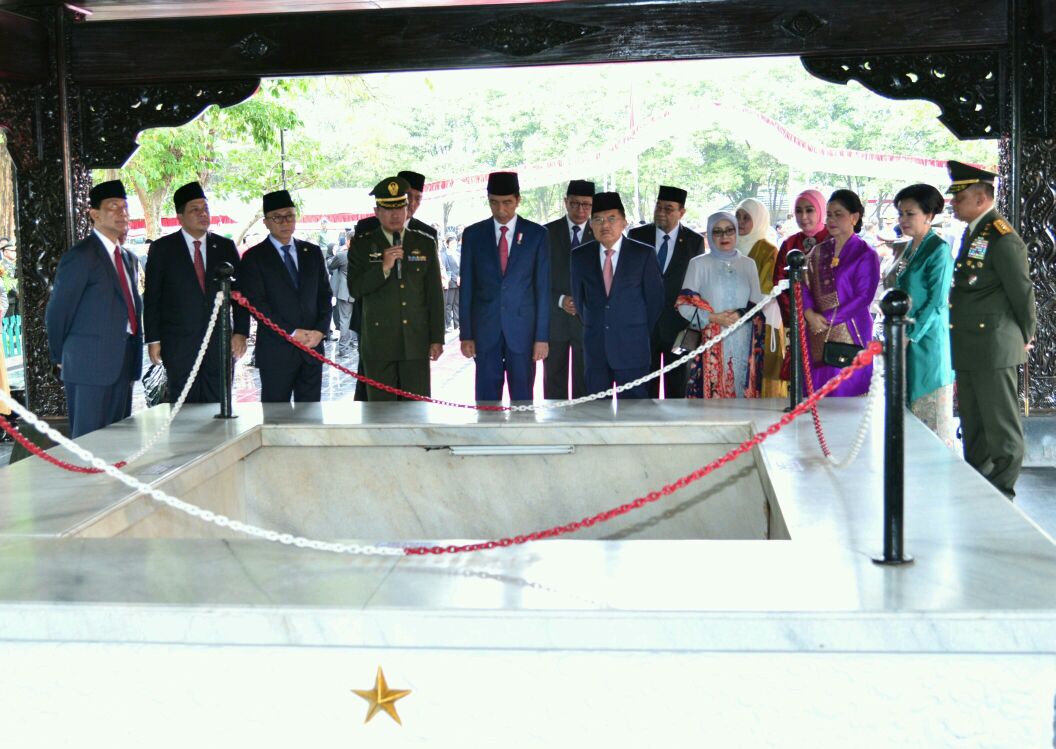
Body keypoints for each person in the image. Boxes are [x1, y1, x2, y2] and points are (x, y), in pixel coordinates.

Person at [947, 160, 1036, 498]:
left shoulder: (1002, 236)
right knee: (974, 420)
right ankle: (979, 480)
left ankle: (1002, 488)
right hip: (971, 343)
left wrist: (1026, 335)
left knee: (1000, 424)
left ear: (981, 198)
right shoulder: (976, 233)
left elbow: (1021, 290)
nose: (954, 204)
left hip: (993, 344)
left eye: (960, 198)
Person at [45, 180, 143, 437]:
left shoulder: (128, 258)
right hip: (88, 364)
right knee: (89, 440)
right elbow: (58, 313)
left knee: (118, 437)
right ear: (95, 214)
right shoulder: (80, 256)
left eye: (124, 206)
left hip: (123, 359)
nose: (122, 212)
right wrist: (59, 357)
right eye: (113, 206)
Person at [143, 181, 249, 404]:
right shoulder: (163, 249)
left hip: (219, 343)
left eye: (205, 208)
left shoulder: (224, 247)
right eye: (195, 210)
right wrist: (153, 339)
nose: (203, 214)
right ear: (180, 216)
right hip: (179, 344)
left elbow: (240, 295)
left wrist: (241, 332)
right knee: (185, 408)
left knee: (219, 405)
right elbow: (153, 298)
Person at [348, 176, 444, 400]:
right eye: (388, 209)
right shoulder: (362, 244)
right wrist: (383, 268)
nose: (395, 215)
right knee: (381, 411)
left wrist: (436, 338)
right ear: (377, 211)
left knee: (416, 410)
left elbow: (434, 295)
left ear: (407, 209)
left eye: (399, 208)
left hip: (416, 341)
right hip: (379, 343)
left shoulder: (424, 243)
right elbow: (355, 288)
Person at [458, 171, 550, 402]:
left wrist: (541, 337)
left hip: (523, 332)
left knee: (522, 399)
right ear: (488, 200)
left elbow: (542, 289)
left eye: (507, 202)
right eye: (494, 203)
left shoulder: (537, 235)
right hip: (486, 330)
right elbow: (467, 288)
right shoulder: (473, 235)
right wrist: (466, 335)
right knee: (487, 399)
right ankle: (487, 438)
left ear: (518, 200)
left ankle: (522, 439)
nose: (501, 209)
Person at [238, 189, 332, 403]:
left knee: (310, 417)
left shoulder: (312, 252)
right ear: (266, 223)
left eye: (289, 215)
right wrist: (290, 332)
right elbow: (257, 304)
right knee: (275, 417)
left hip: (311, 348)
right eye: (277, 217)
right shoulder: (254, 258)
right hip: (276, 352)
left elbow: (325, 296)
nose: (284, 222)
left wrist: (320, 331)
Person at [570, 191, 663, 400]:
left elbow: (655, 301)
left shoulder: (643, 254)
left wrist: (632, 329)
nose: (605, 225)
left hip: (633, 349)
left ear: (624, 222)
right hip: (596, 350)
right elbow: (579, 299)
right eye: (598, 219)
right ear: (591, 225)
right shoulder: (580, 256)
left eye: (612, 218)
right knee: (596, 414)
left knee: (634, 414)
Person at [891, 183, 955, 444]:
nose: (903, 220)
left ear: (928, 215)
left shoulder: (938, 249)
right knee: (908, 411)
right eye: (900, 213)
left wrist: (912, 334)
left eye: (910, 213)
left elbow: (937, 302)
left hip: (927, 341)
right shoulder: (909, 248)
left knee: (930, 415)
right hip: (906, 336)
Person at [801, 189, 879, 397]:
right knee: (818, 395)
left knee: (845, 397)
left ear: (854, 217)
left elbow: (864, 297)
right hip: (817, 332)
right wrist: (809, 314)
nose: (831, 219)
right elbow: (804, 284)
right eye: (828, 214)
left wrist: (825, 319)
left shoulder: (865, 254)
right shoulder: (818, 251)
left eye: (838, 214)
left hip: (851, 333)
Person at [627, 185, 704, 398]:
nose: (661, 212)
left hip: (678, 326)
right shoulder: (636, 235)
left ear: (682, 212)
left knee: (677, 387)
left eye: (668, 208)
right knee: (644, 387)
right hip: (644, 325)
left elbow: (696, 285)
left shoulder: (694, 241)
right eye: (658, 207)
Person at [678, 211, 764, 398]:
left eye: (729, 230)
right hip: (710, 344)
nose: (724, 236)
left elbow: (757, 302)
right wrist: (713, 317)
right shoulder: (698, 264)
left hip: (743, 340)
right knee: (712, 405)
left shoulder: (748, 264)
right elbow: (684, 305)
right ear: (709, 234)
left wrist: (741, 314)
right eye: (717, 232)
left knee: (742, 397)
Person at [543, 179, 594, 400]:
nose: (580, 210)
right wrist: (560, 299)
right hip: (555, 319)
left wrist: (584, 300)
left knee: (586, 379)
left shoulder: (601, 232)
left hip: (588, 321)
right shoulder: (545, 233)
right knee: (554, 378)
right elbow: (538, 279)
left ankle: (584, 427)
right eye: (574, 203)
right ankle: (555, 429)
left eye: (586, 204)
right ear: (565, 202)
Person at [736, 198, 787, 398]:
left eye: (746, 217)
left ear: (758, 220)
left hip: (761, 322)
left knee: (761, 373)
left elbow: (767, 290)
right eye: (737, 216)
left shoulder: (768, 250)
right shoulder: (729, 246)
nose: (740, 222)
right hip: (731, 322)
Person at [773, 189, 830, 329]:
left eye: (809, 210)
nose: (803, 216)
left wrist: (826, 316)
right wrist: (799, 317)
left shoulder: (834, 239)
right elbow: (779, 282)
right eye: (798, 211)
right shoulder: (790, 244)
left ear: (821, 210)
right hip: (800, 323)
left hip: (831, 320)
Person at [326, 234, 356, 359]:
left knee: (344, 320)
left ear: (348, 242)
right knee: (354, 319)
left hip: (345, 292)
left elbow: (331, 265)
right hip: (358, 290)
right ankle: (352, 342)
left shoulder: (342, 255)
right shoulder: (363, 256)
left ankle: (343, 348)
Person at [439, 236, 460, 331]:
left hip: (459, 282)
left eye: (455, 243)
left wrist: (460, 277)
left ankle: (457, 323)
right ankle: (448, 324)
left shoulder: (458, 253)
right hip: (451, 282)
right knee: (449, 304)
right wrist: (456, 278)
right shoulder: (444, 255)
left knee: (457, 303)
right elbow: (447, 269)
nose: (454, 245)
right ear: (447, 244)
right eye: (451, 243)